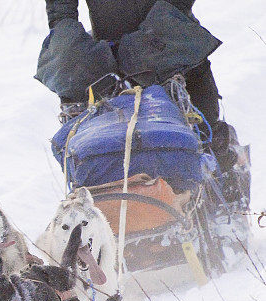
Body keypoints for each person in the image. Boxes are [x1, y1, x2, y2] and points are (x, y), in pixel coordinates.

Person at [36, 0, 246, 201]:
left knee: (205, 130)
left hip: (170, 41)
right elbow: (60, 7)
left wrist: (158, 31)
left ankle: (226, 195)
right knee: (95, 147)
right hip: (104, 56)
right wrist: (65, 35)